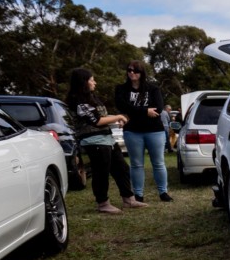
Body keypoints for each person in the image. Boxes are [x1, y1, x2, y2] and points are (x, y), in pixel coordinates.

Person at [66, 68, 148, 214]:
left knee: (122, 168)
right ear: (83, 82)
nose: (94, 82)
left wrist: (118, 119)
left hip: (107, 139)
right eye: (92, 80)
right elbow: (96, 121)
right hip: (94, 142)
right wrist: (118, 117)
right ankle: (103, 203)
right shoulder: (77, 101)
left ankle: (128, 199)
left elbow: (102, 116)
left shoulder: (91, 97)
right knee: (101, 173)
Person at [114, 61, 173, 202]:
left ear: (142, 73)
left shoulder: (153, 89)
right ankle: (138, 194)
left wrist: (133, 112)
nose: (132, 73)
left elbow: (158, 108)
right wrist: (145, 111)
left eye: (135, 71)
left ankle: (163, 192)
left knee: (158, 163)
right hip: (132, 131)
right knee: (136, 164)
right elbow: (122, 106)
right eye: (129, 70)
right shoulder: (121, 89)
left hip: (154, 131)